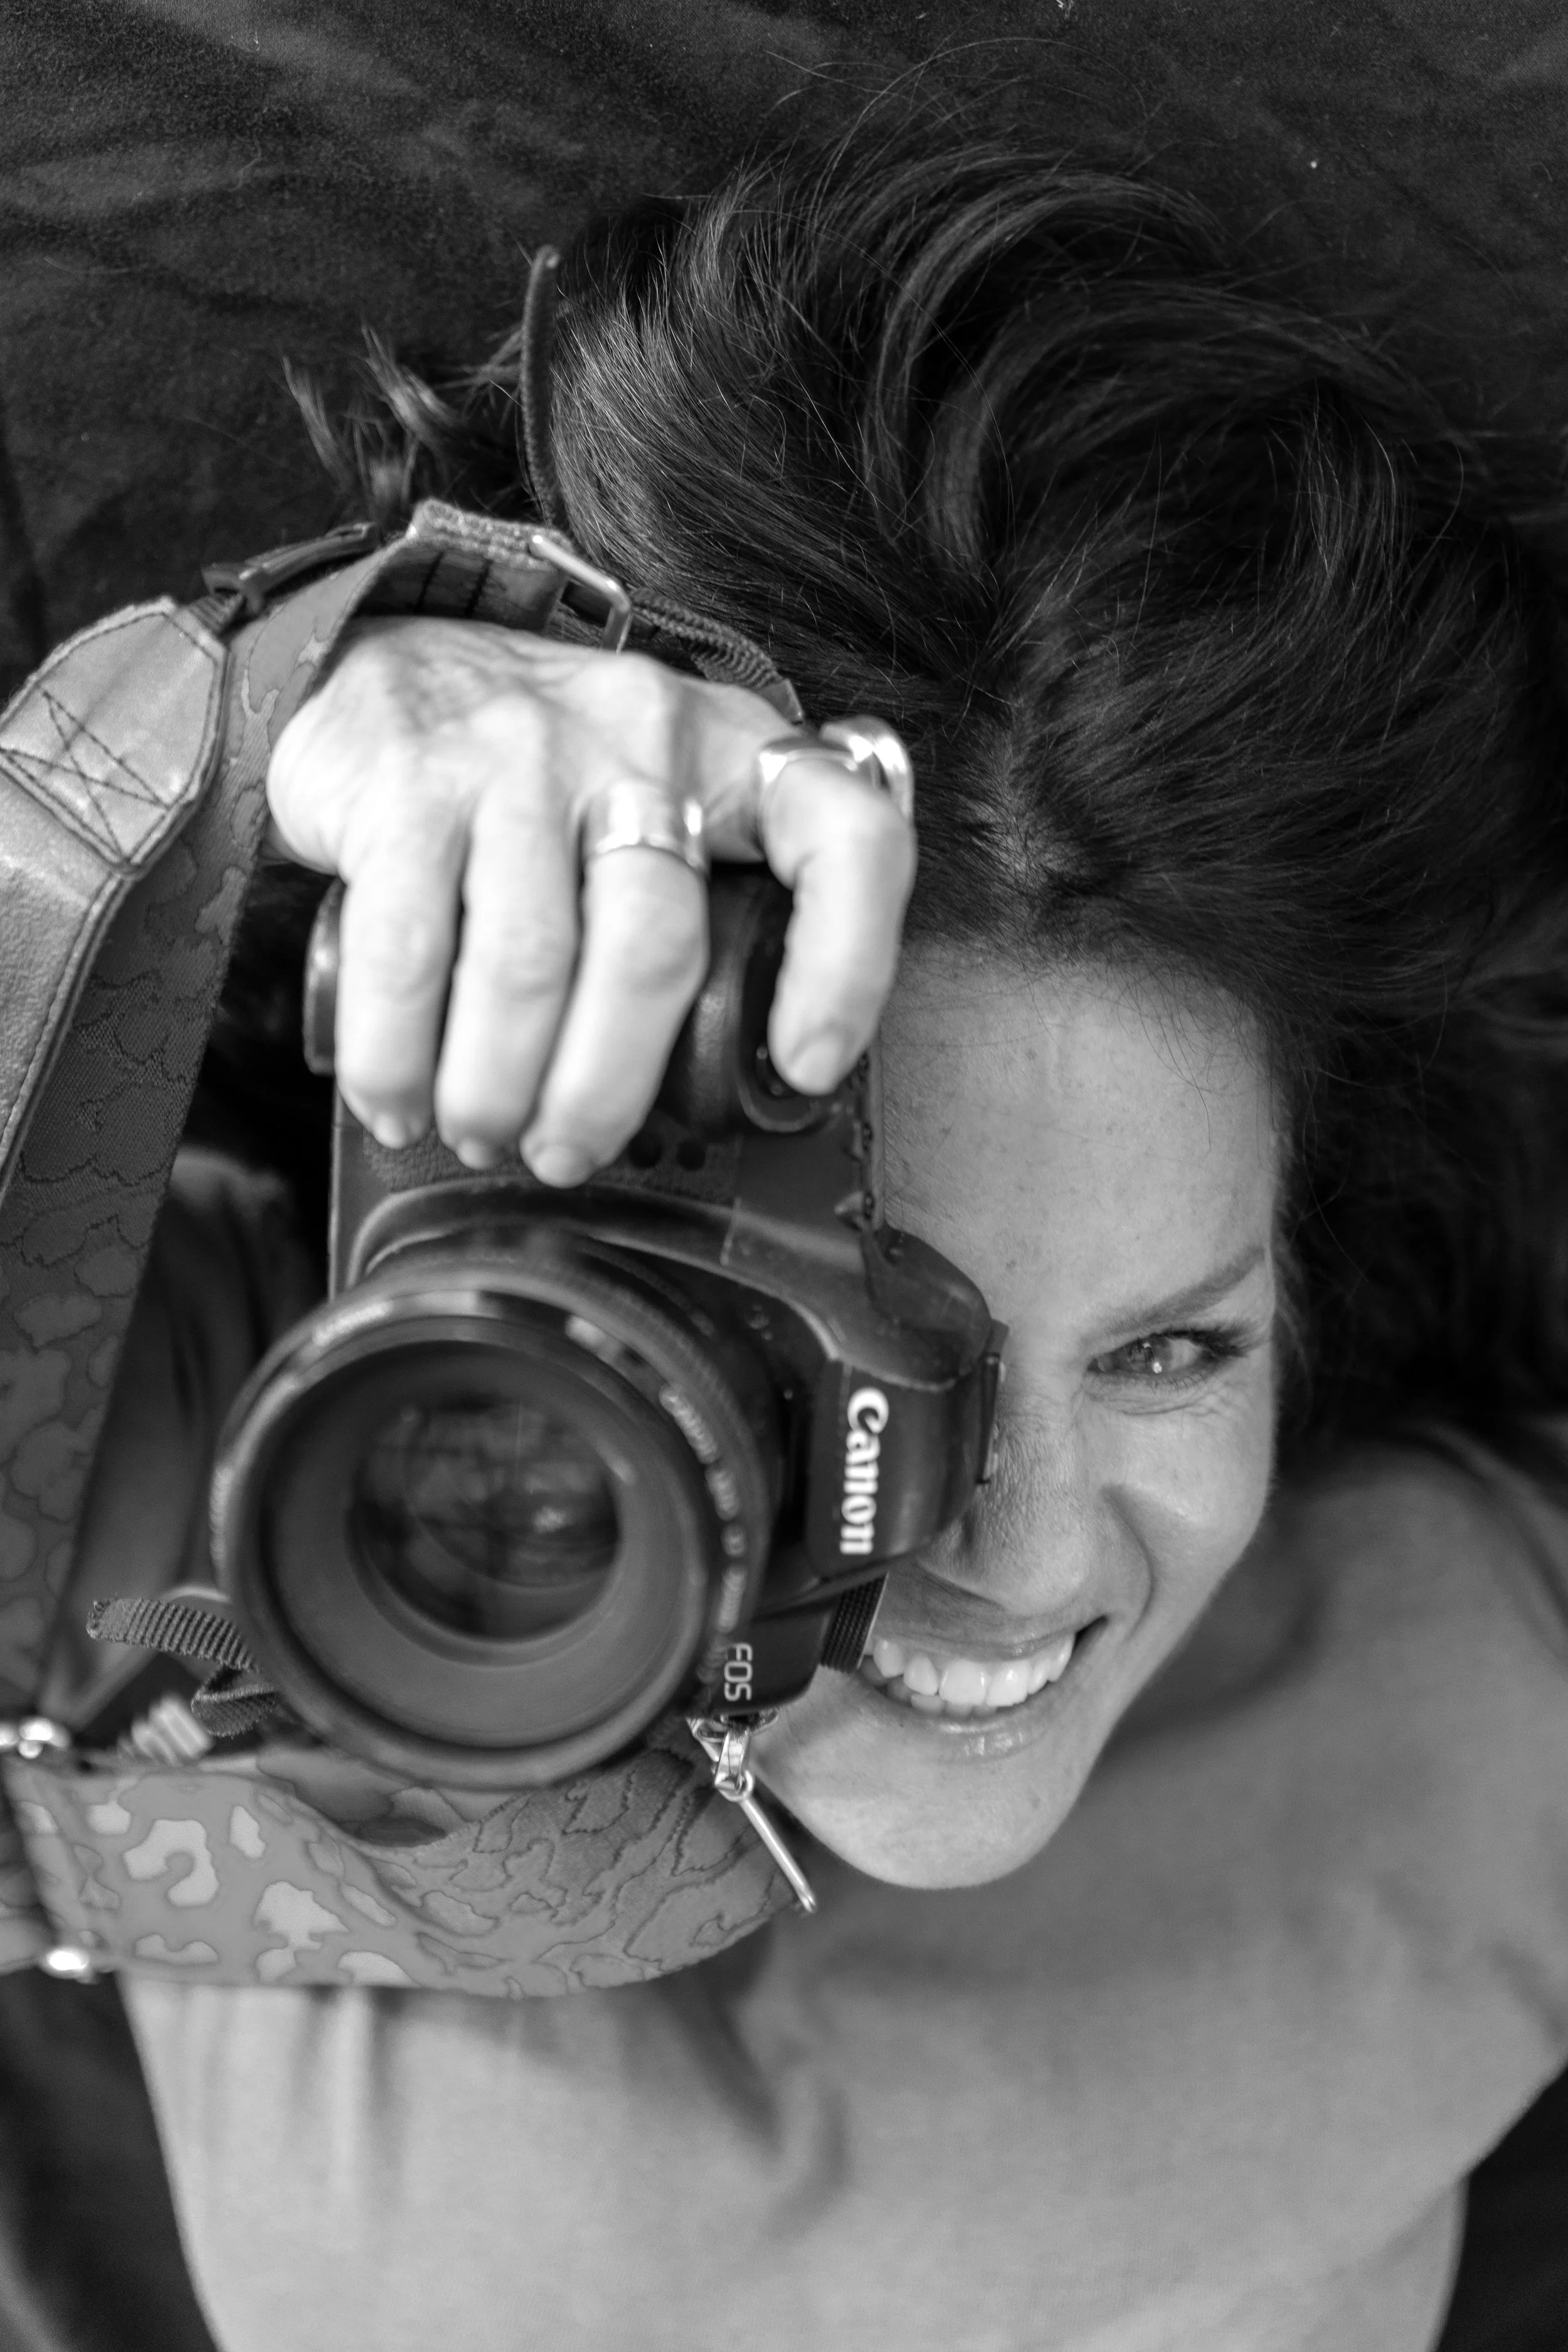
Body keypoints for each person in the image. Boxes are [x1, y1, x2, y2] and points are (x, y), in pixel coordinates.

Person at [65, 120, 1568, 2349]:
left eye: (1174, 1350)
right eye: (863, 1335)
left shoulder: (1491, 1642)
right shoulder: (245, 1466)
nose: (1031, 1556)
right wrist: (260, 726)